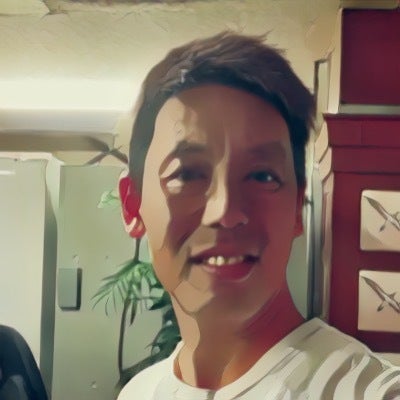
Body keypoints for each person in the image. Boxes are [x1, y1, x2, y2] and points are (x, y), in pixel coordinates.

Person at [117, 32, 400, 399]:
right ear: (133, 205)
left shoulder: (362, 390)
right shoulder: (138, 392)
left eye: (262, 176)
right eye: (186, 174)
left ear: (297, 208)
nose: (225, 212)